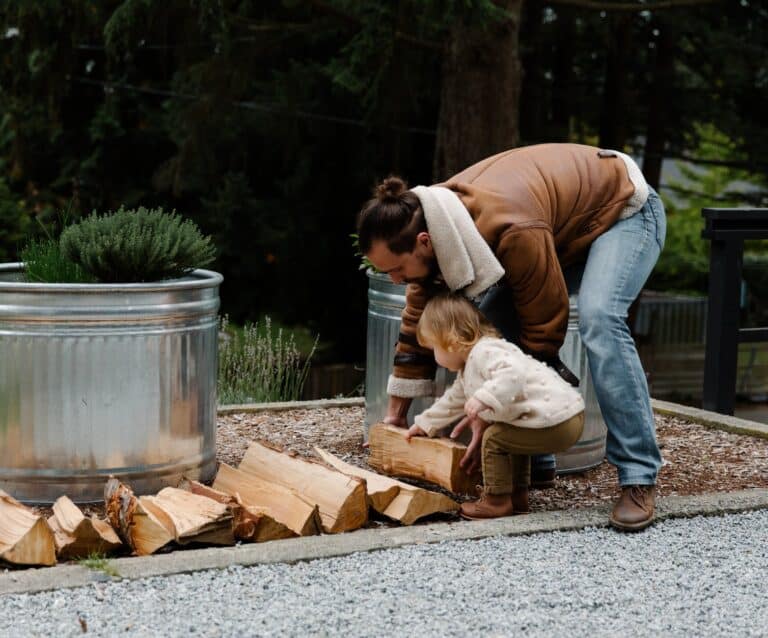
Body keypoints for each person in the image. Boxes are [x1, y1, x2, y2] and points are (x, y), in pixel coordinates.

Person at [357, 143, 667, 531]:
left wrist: (490, 413)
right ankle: (531, 462)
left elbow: (543, 326)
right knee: (480, 330)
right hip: (561, 229)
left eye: (398, 270)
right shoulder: (428, 223)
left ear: (423, 242)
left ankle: (638, 476)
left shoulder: (511, 226)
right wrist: (395, 417)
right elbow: (419, 323)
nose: (396, 281)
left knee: (599, 318)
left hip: (624, 211)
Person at [405, 293, 585, 519]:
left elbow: (513, 373)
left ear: (451, 341)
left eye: (434, 348)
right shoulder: (468, 367)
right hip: (562, 418)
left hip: (560, 419)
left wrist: (484, 397)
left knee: (493, 439)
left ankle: (496, 501)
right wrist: (424, 423)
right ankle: (517, 496)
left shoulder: (485, 351)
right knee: (512, 439)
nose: (434, 356)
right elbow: (451, 402)